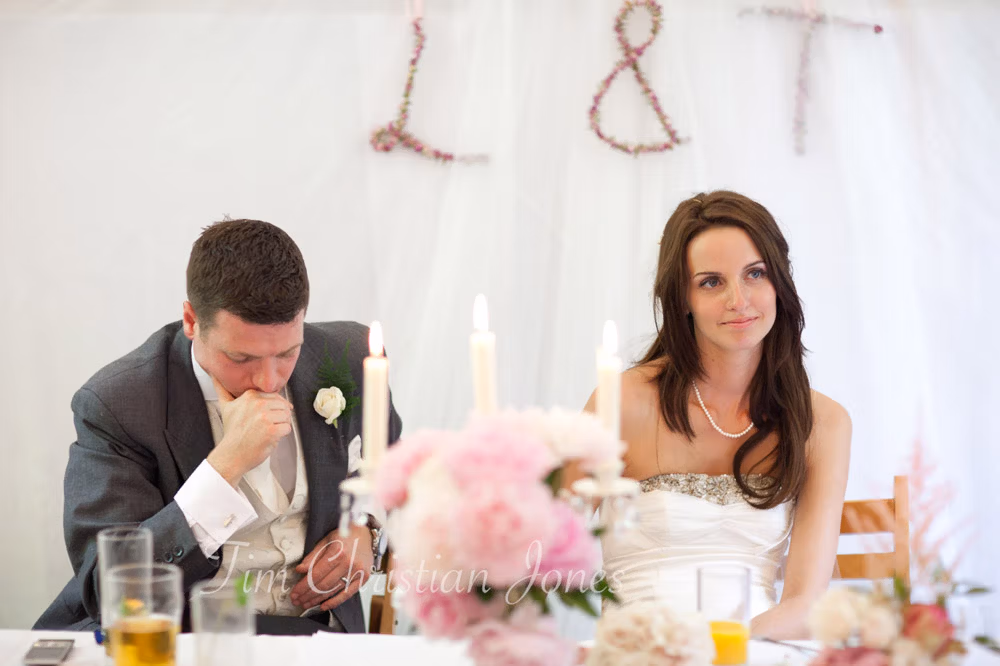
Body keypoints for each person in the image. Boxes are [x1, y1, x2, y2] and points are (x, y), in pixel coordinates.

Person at [35, 219, 402, 635]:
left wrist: (365, 526)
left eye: (287, 353)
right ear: (192, 321)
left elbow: (392, 461)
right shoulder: (118, 404)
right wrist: (224, 467)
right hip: (180, 639)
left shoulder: (351, 356)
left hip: (323, 635)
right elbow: (109, 587)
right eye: (242, 359)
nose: (269, 381)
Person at [586, 191, 850, 639]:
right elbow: (541, 539)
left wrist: (725, 649)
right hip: (642, 652)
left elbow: (806, 603)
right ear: (682, 298)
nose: (738, 300)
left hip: (758, 649)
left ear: (779, 283)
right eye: (711, 281)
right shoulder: (624, 399)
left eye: (755, 274)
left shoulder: (822, 422)